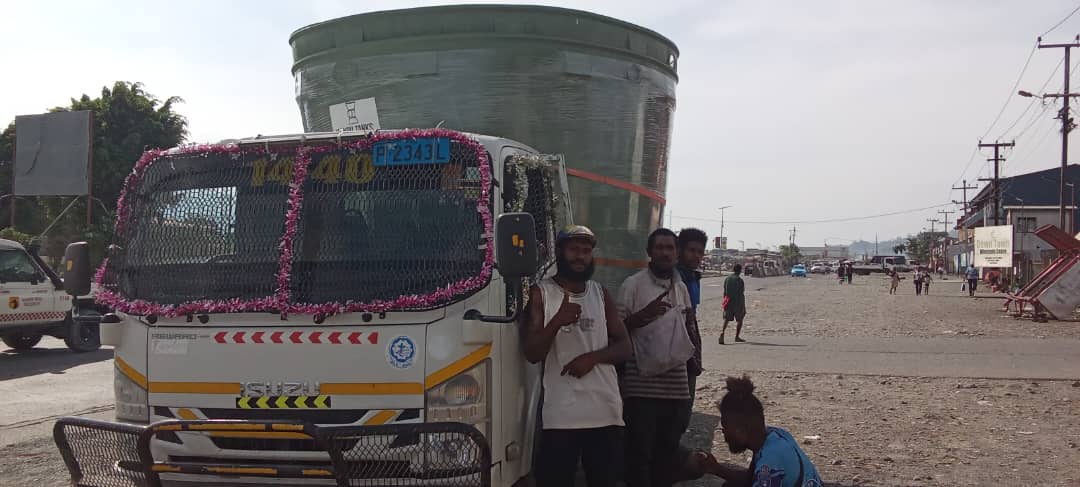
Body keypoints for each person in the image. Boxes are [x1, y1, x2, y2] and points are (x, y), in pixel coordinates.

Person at [524, 225, 633, 487]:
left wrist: (591, 359)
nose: (580, 256)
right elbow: (532, 353)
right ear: (560, 251)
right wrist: (556, 321)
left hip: (605, 411)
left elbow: (625, 347)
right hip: (562, 415)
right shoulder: (541, 293)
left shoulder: (600, 293)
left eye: (586, 251)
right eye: (574, 249)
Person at [617, 228, 695, 487]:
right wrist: (643, 316)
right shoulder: (633, 285)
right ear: (649, 252)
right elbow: (616, 331)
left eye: (669, 248)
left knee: (666, 457)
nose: (664, 252)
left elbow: (689, 330)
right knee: (638, 458)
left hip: (676, 391)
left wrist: (695, 366)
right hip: (641, 390)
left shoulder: (680, 288)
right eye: (659, 247)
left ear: (676, 253)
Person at [693, 375, 824, 487]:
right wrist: (716, 469)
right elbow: (750, 479)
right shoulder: (776, 435)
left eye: (725, 428)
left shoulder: (770, 462)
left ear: (742, 430)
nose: (724, 433)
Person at [676, 228, 707, 400]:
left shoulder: (694, 277)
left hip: (690, 336)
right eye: (691, 250)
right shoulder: (673, 277)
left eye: (700, 252)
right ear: (680, 250)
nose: (696, 256)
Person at [720, 264, 747, 345]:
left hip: (728, 301)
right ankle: (737, 337)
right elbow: (741, 294)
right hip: (737, 303)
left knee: (726, 319)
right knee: (740, 319)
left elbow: (725, 291)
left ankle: (722, 333)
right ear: (740, 271)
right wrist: (743, 306)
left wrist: (725, 301)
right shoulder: (739, 280)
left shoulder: (727, 278)